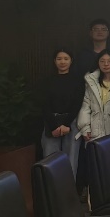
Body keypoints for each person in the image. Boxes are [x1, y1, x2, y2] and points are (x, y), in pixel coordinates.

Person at [39, 48, 84, 176]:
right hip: (51, 122)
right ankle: (51, 188)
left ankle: (69, 188)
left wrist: (66, 124)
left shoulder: (78, 80)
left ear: (71, 61)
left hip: (71, 122)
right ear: (54, 61)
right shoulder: (47, 80)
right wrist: (54, 126)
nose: (62, 62)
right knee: (50, 161)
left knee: (71, 159)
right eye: (59, 59)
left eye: (66, 59)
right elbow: (44, 104)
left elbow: (77, 104)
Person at [77, 49, 110, 142]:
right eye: (102, 61)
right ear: (98, 63)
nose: (106, 64)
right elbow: (85, 105)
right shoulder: (91, 81)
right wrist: (85, 128)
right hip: (94, 129)